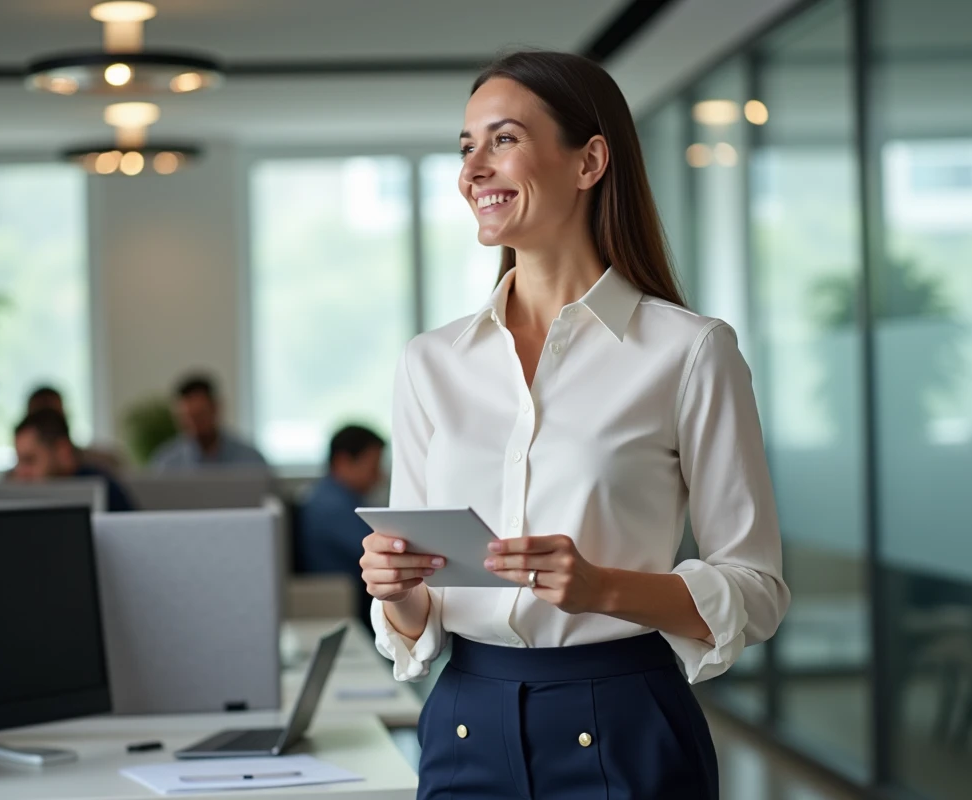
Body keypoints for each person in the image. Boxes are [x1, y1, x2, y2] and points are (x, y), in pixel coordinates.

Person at [360, 51, 790, 798]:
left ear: (589, 161)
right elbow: (422, 604)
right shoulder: (431, 362)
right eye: (466, 147)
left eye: (503, 140)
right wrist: (394, 589)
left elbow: (756, 589)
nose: (473, 171)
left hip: (625, 724)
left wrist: (601, 587)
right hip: (463, 723)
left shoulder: (690, 351)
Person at [296, 425, 387, 626]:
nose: (380, 476)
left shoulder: (334, 496)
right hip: (343, 603)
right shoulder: (332, 506)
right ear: (343, 462)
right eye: (373, 467)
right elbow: (380, 549)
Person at [13, 408, 135, 512]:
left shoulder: (103, 488)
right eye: (19, 462)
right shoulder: (15, 496)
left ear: (62, 451)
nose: (21, 473)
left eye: (29, 460)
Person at [149, 374, 267, 470]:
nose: (193, 424)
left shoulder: (251, 459)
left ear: (216, 408)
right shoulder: (166, 463)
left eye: (199, 415)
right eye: (186, 417)